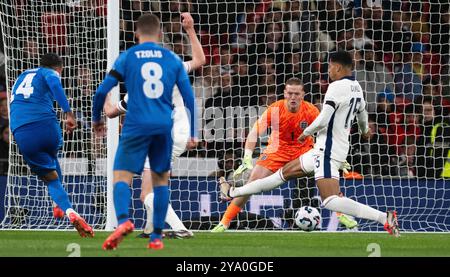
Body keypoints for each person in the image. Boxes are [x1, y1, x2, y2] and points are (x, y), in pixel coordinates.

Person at [92, 14, 197, 250]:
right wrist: (194, 131)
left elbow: (101, 94)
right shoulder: (172, 59)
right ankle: (156, 234)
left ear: (136, 34)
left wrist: (96, 118)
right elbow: (190, 98)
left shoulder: (128, 58)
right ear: (159, 34)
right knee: (160, 183)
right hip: (165, 128)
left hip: (137, 127)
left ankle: (122, 221)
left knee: (122, 176)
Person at [297, 51, 399, 236]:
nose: (328, 70)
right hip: (341, 147)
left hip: (328, 148)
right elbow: (363, 112)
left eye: (328, 66)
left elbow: (323, 119)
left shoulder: (336, 86)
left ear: (336, 66)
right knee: (286, 176)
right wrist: (364, 129)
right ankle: (234, 193)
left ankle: (384, 217)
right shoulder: (357, 87)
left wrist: (305, 133)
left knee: (329, 200)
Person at [211, 77, 320, 232]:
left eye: (296, 94)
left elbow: (324, 134)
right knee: (251, 184)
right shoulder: (275, 109)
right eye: (290, 93)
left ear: (303, 94)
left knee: (325, 175)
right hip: (277, 151)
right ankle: (225, 221)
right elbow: (254, 131)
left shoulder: (311, 111)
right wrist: (247, 157)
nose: (293, 97)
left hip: (303, 152)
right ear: (284, 93)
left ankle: (341, 214)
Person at [9, 52, 94, 237]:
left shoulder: (22, 76)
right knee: (52, 156)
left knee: (51, 178)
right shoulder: (48, 73)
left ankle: (69, 211)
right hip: (47, 126)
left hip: (22, 131)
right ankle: (59, 204)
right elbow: (55, 83)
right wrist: (69, 113)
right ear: (59, 68)